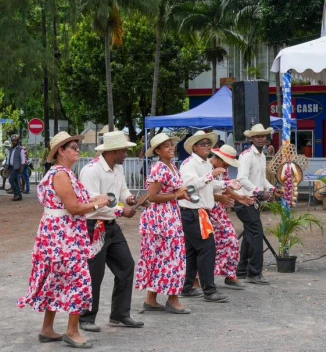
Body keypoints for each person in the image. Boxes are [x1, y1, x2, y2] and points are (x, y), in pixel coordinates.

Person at [17, 131, 110, 349]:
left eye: (78, 147)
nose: (78, 150)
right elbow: (74, 207)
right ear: (61, 151)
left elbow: (76, 203)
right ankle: (72, 331)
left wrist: (96, 200)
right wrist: (98, 204)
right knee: (80, 279)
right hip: (63, 234)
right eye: (73, 148)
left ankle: (48, 328)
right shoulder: (60, 174)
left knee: (56, 278)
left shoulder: (64, 173)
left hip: (61, 232)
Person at [78, 131, 144, 332]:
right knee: (94, 274)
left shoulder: (116, 168)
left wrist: (130, 198)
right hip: (94, 227)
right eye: (124, 150)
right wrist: (121, 210)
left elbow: (122, 190)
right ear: (113, 151)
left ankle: (120, 314)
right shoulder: (91, 171)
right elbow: (92, 203)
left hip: (110, 225)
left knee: (126, 266)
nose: (126, 153)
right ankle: (85, 317)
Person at [135, 133, 191, 314]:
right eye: (166, 146)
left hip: (169, 214)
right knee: (172, 257)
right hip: (161, 218)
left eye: (171, 145)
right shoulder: (159, 168)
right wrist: (177, 195)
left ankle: (151, 299)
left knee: (161, 257)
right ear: (158, 151)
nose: (171, 148)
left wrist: (180, 192)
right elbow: (153, 196)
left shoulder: (172, 166)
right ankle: (173, 299)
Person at [179, 130, 230, 302]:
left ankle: (187, 287)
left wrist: (227, 184)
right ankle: (209, 290)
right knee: (207, 249)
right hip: (193, 212)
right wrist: (210, 176)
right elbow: (190, 187)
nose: (207, 146)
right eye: (203, 144)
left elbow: (209, 185)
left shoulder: (206, 163)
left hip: (199, 212)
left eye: (209, 143)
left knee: (193, 251)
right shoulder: (188, 164)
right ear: (194, 147)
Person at [235, 123, 284, 285]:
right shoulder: (246, 156)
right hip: (244, 200)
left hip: (252, 200)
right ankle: (254, 273)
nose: (261, 139)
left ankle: (242, 270)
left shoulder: (262, 156)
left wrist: (272, 189)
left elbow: (262, 179)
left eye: (263, 136)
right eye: (257, 136)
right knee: (256, 235)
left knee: (250, 236)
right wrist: (258, 192)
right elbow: (242, 179)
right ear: (252, 138)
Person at [209, 144, 253, 290]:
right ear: (217, 158)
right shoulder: (207, 170)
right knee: (206, 246)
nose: (226, 167)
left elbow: (226, 189)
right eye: (225, 163)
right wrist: (220, 198)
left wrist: (239, 197)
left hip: (219, 212)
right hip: (206, 211)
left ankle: (230, 274)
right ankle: (202, 278)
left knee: (231, 240)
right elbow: (199, 191)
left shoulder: (223, 171)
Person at [7, 134, 27, 201]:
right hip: (11, 167)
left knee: (11, 180)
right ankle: (19, 196)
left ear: (18, 141)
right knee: (16, 181)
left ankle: (16, 194)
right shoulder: (11, 149)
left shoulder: (20, 149)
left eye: (15, 141)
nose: (13, 142)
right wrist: (7, 167)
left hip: (16, 167)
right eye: (12, 141)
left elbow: (23, 160)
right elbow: (8, 158)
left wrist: (22, 168)